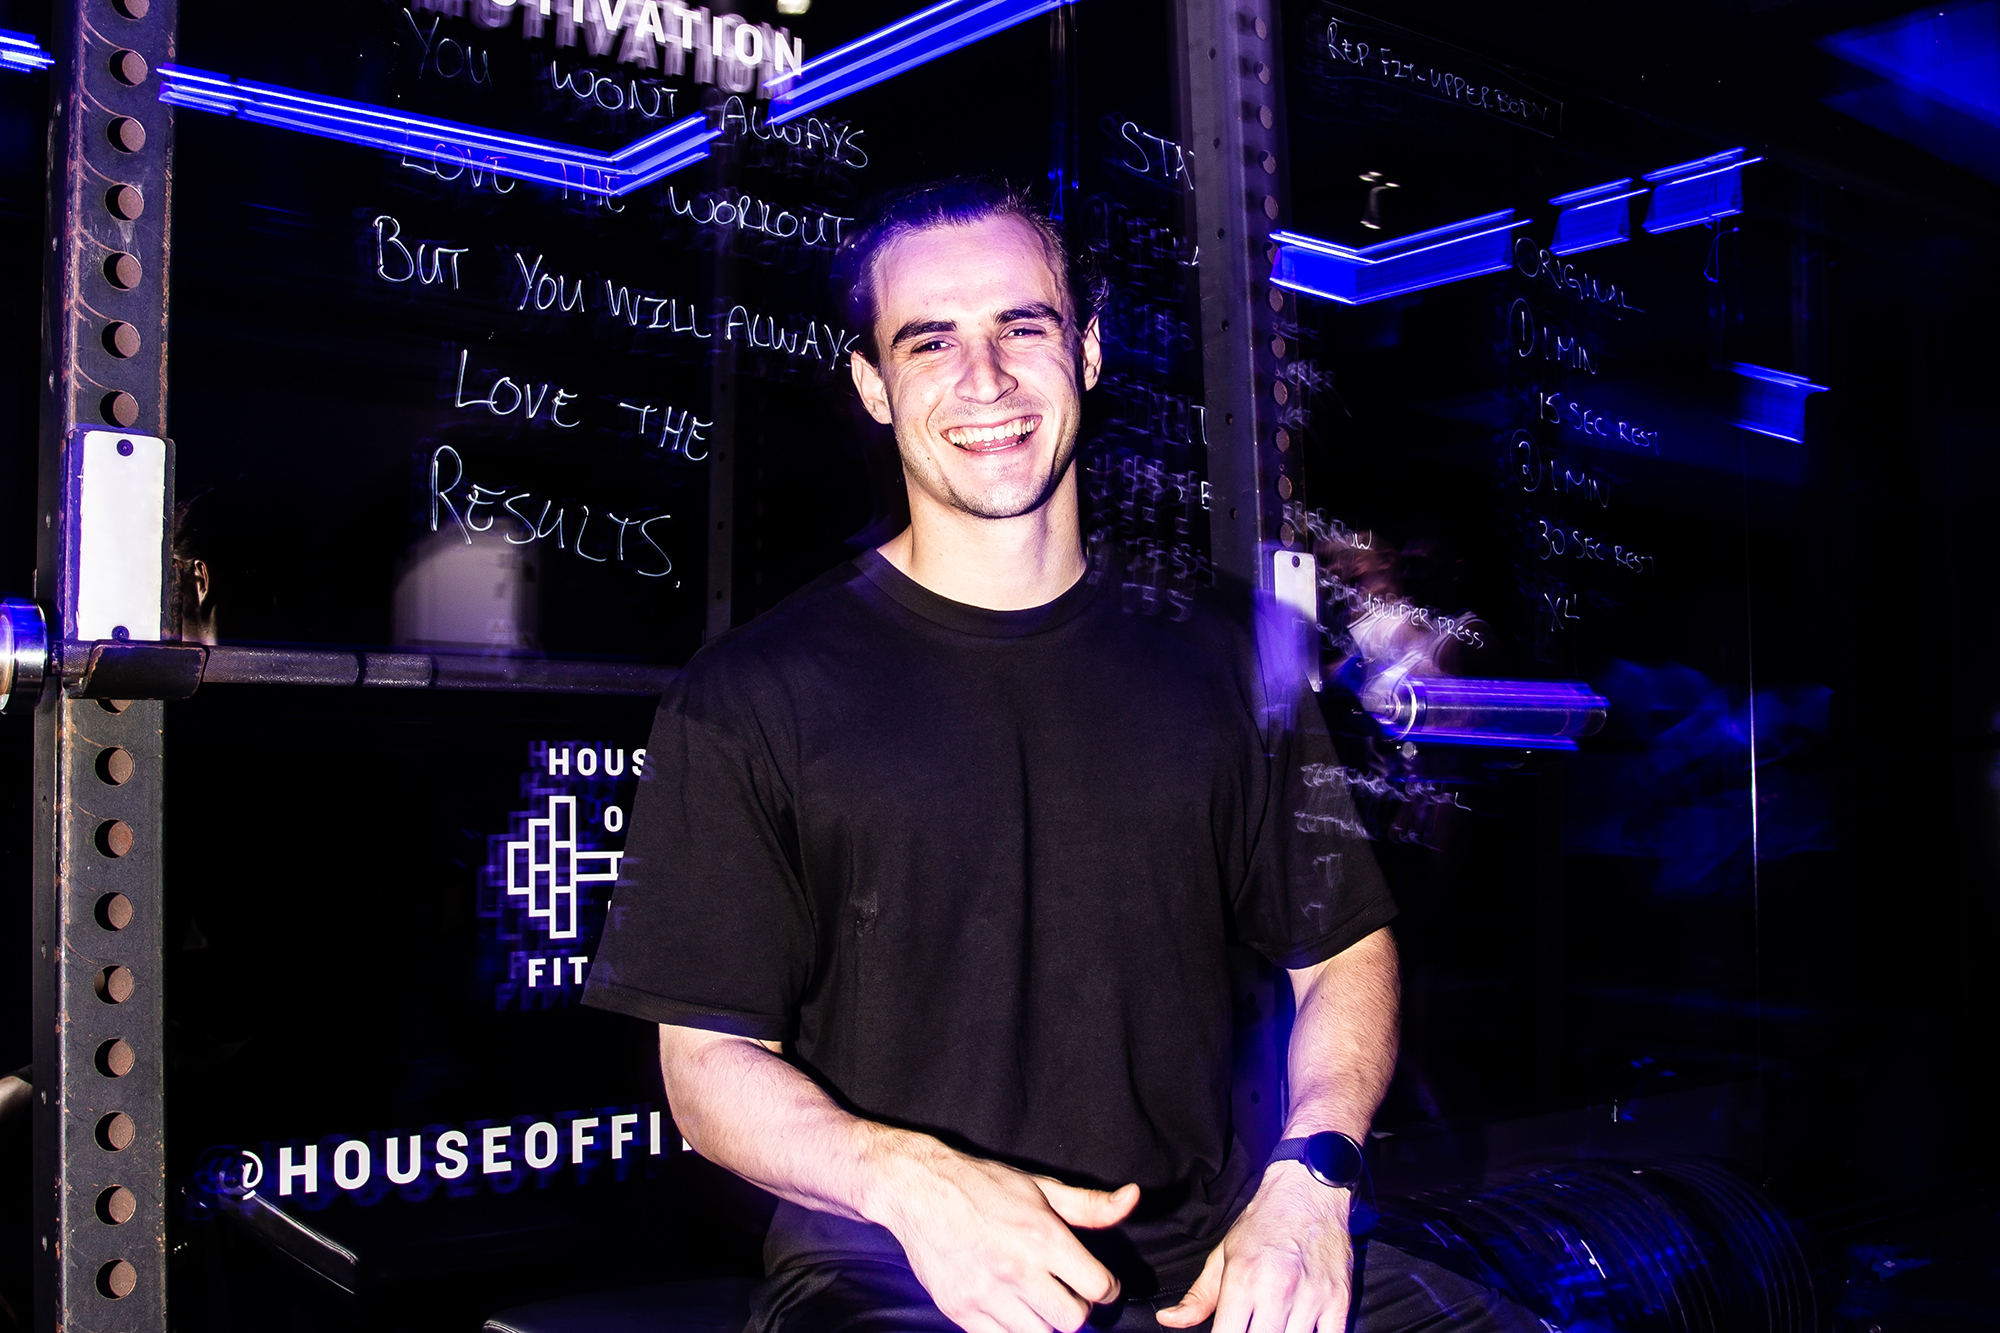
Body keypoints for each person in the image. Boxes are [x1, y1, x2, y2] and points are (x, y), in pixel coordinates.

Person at [583, 180, 1542, 1333]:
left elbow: (1339, 949)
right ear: (872, 386)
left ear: (1085, 350)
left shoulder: (1227, 654)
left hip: (1215, 1266)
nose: (983, 379)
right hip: (891, 1281)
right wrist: (908, 1181)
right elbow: (705, 1062)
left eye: (1020, 327)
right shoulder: (752, 693)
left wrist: (1312, 1172)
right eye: (929, 342)